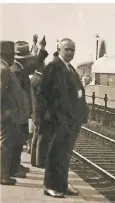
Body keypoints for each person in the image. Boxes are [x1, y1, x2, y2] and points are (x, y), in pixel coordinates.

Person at [41, 38, 88, 198]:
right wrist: (55, 116)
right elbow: (45, 93)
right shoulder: (54, 67)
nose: (70, 52)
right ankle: (50, 185)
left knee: (65, 154)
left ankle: (62, 184)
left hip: (70, 120)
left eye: (72, 50)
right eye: (67, 49)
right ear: (59, 49)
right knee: (55, 153)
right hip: (59, 119)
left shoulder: (70, 68)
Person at [1, 40, 30, 185]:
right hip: (6, 116)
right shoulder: (3, 69)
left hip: (8, 115)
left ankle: (4, 173)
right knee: (4, 144)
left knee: (6, 144)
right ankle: (2, 175)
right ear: (6, 55)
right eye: (12, 54)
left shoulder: (5, 68)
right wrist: (5, 112)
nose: (14, 57)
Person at [9, 41, 35, 178]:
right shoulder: (17, 71)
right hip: (17, 113)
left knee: (19, 140)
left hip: (19, 113)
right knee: (17, 141)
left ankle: (16, 165)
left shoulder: (18, 69)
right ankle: (14, 168)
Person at [30, 36, 49, 168]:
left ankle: (34, 160)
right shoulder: (39, 80)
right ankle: (39, 162)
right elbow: (40, 100)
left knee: (37, 136)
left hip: (37, 113)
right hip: (40, 113)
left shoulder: (36, 78)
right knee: (41, 137)